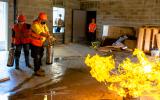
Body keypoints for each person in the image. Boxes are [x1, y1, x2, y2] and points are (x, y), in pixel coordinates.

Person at [30, 12, 51, 76]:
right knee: (37, 56)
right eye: (43, 20)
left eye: (44, 20)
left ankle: (38, 68)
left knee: (41, 55)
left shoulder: (43, 23)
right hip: (35, 43)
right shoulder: (35, 24)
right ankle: (36, 71)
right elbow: (41, 33)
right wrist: (48, 36)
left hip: (40, 43)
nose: (44, 21)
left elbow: (46, 30)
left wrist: (49, 35)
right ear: (39, 19)